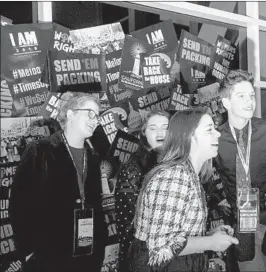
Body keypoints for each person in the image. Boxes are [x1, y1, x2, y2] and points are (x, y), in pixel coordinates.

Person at [129, 108, 239, 271]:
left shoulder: (188, 173)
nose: (218, 134)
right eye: (209, 130)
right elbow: (159, 249)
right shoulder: (174, 177)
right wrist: (210, 242)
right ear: (189, 136)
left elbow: (174, 237)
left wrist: (207, 235)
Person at [9, 93, 107, 272]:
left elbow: (96, 205)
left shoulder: (92, 157)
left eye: (98, 115)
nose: (96, 120)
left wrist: (99, 246)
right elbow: (18, 205)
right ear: (70, 114)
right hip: (48, 257)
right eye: (90, 113)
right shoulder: (40, 151)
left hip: (87, 256)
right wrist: (28, 252)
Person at [214, 69, 266, 272]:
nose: (249, 101)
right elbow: (202, 175)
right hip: (239, 222)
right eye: (241, 96)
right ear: (226, 102)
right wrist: (217, 196)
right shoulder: (216, 138)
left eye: (251, 95)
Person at [113, 110, 170, 271]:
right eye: (153, 128)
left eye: (165, 127)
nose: (160, 132)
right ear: (143, 133)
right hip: (144, 260)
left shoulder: (176, 162)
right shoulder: (133, 166)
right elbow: (127, 223)